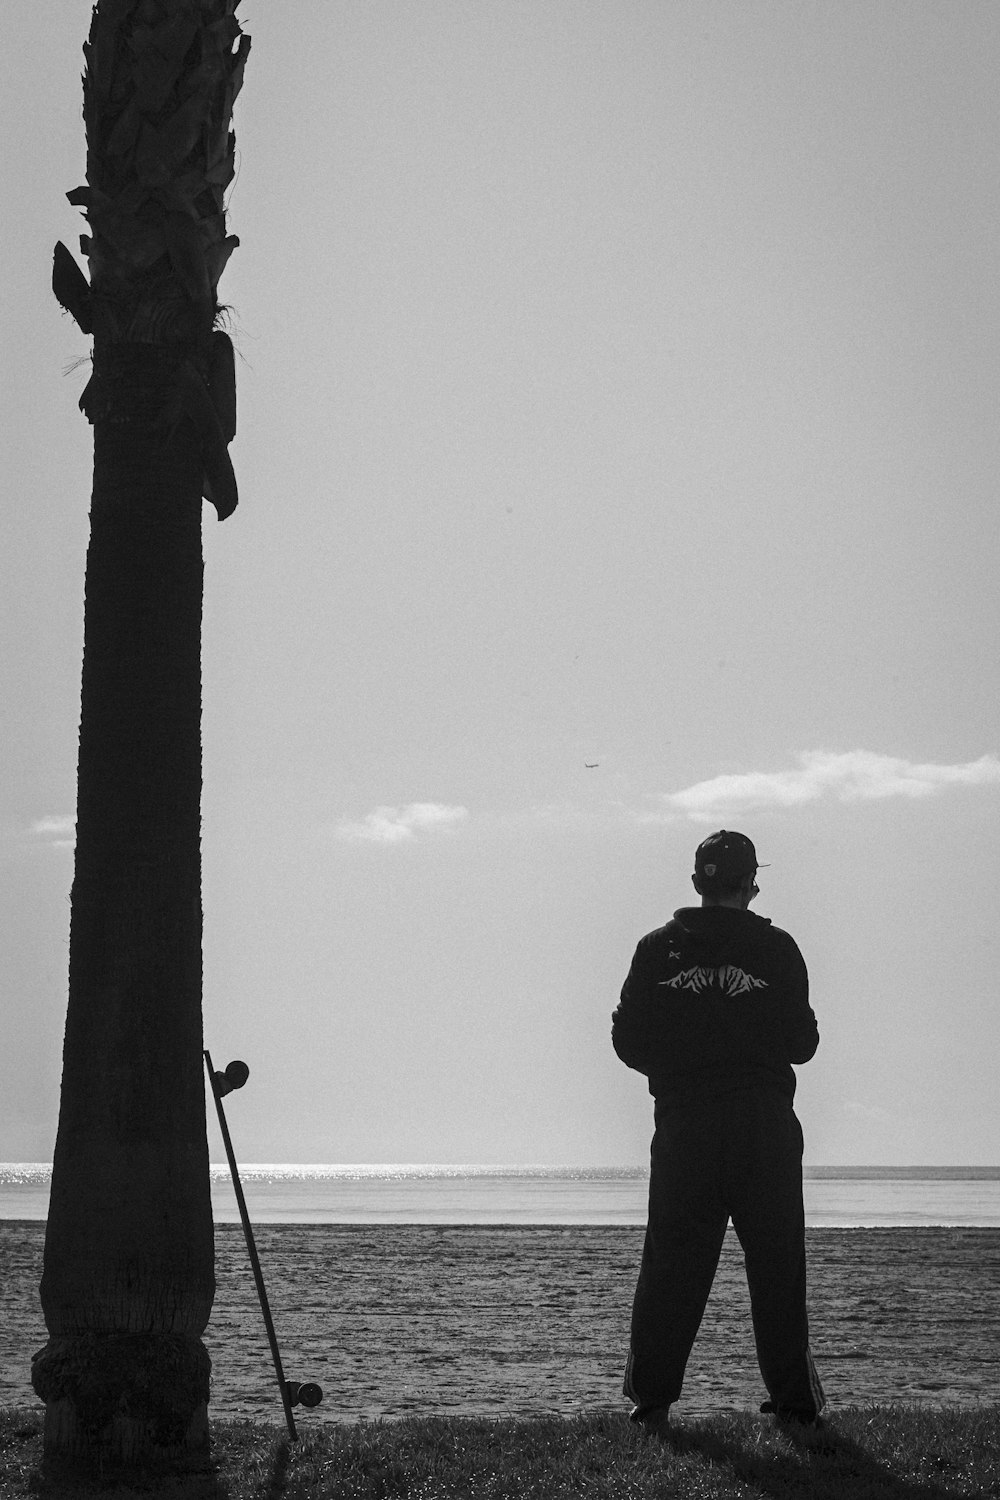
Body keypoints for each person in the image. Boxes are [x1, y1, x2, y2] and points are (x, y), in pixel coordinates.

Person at [612, 829, 824, 1435]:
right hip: (765, 1128)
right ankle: (794, 1402)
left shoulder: (657, 949)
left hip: (685, 1126)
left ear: (697, 882)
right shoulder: (779, 949)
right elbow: (803, 1045)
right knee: (778, 1264)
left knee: (672, 1265)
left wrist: (678, 1069)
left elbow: (627, 1039)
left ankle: (650, 1402)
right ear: (751, 884)